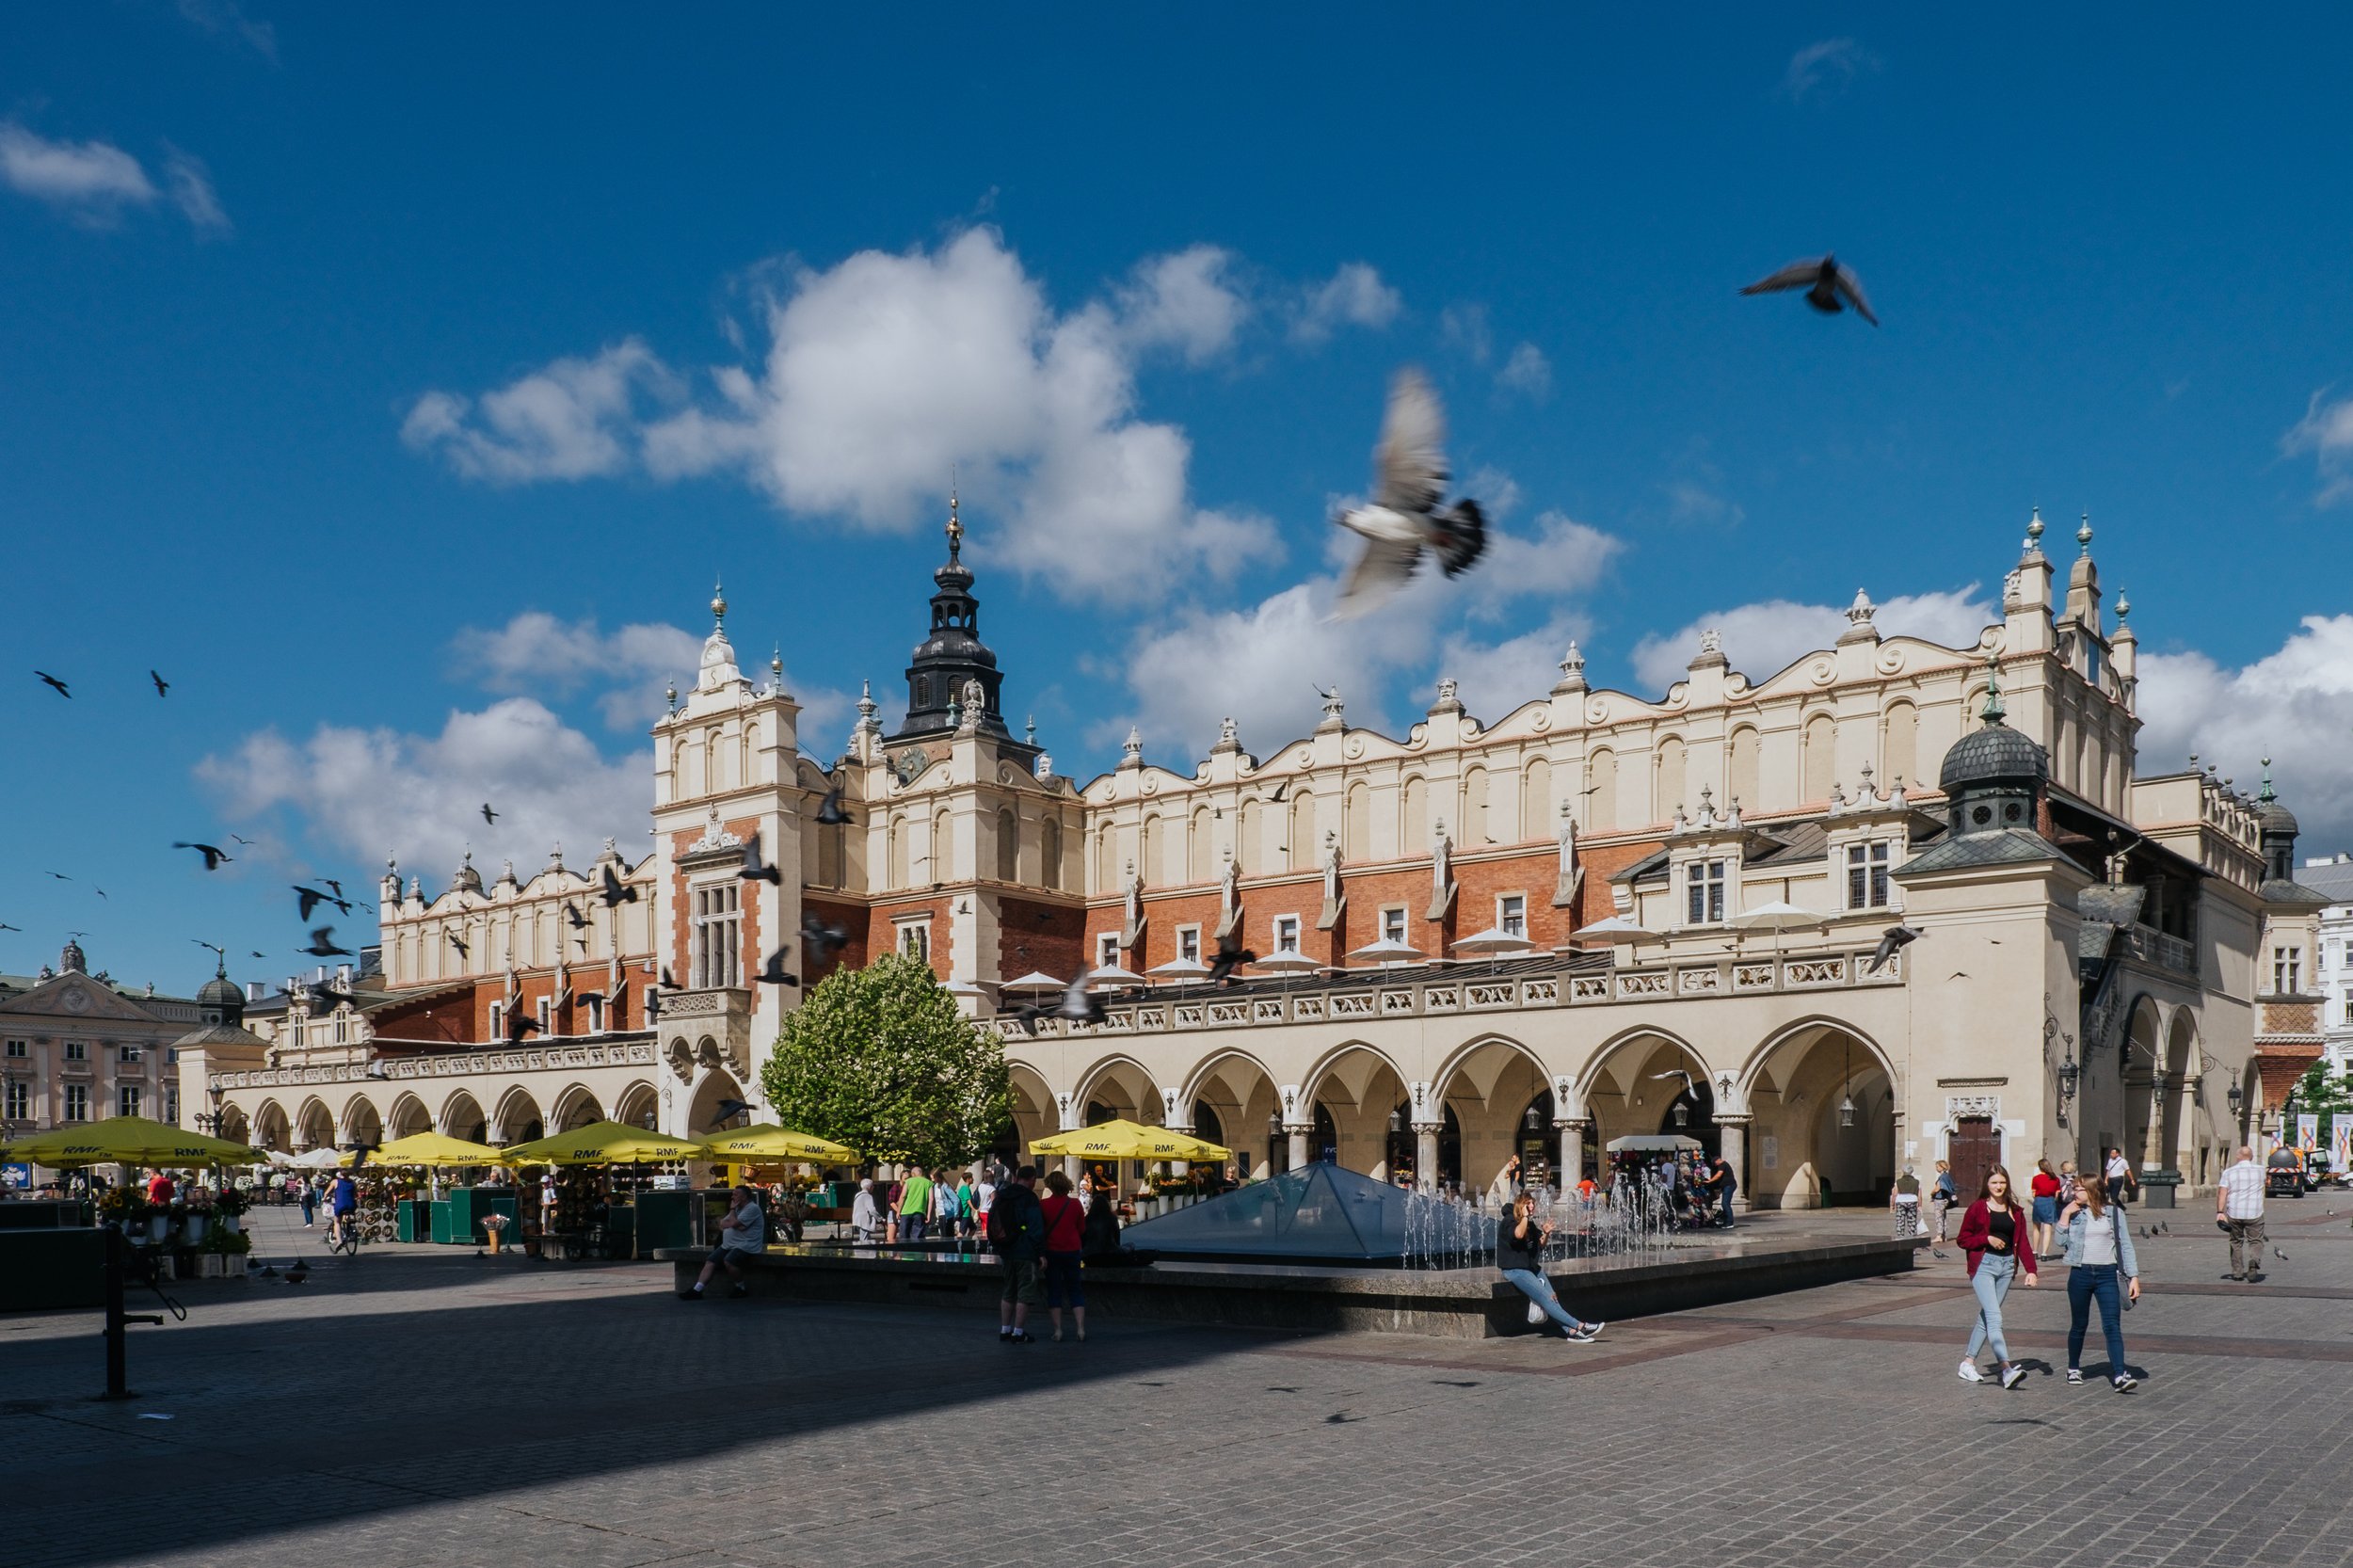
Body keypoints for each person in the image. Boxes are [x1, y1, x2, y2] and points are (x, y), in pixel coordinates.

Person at [1954, 1164, 2037, 1389]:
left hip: (2007, 1266)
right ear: (1987, 1185)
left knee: (1987, 1317)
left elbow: (2024, 1243)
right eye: (1994, 1183)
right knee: (1994, 1316)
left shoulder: (2016, 1211)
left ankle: (1967, 1363)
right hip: (1984, 1266)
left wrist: (2031, 1270)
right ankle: (2006, 1369)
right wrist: (1986, 1239)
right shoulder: (1977, 1208)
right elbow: (1962, 1239)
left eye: (2002, 1182)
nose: (1998, 1187)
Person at [2057, 1174, 2141, 1390]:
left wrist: (2133, 1277)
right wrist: (2065, 1215)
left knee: (2112, 1324)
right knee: (2079, 1324)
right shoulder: (2075, 1213)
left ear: (2091, 1190)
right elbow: (2060, 1242)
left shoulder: (2114, 1213)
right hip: (2080, 1273)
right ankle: (2073, 1368)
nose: (2074, 1193)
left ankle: (2120, 1374)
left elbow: (2125, 1245)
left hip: (2108, 1275)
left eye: (2078, 1189)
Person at [1497, 1192, 1603, 1342]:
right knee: (1545, 1297)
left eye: (1533, 1203)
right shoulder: (1509, 1220)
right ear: (1521, 1205)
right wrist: (1525, 1217)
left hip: (1532, 1268)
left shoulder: (1530, 1223)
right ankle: (1580, 1326)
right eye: (1529, 1204)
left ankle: (1571, 1332)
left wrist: (1545, 1234)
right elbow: (1518, 1235)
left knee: (1552, 1297)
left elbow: (1539, 1245)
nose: (1532, 1206)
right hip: (1515, 1270)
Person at [988, 1165, 1046, 1343]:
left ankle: (1005, 1329)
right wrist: (1041, 1253)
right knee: (1025, 1292)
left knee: (1008, 1291)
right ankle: (1018, 1332)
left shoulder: (1003, 1194)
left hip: (1006, 1249)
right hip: (1025, 1251)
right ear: (1032, 1179)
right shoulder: (1029, 1198)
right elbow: (1036, 1227)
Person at [682, 1184, 766, 1300]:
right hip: (729, 1245)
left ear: (744, 1197)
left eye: (736, 1194)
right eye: (733, 1194)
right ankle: (697, 1289)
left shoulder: (752, 1208)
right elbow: (722, 1224)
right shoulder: (738, 1209)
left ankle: (740, 1287)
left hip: (746, 1245)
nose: (733, 1197)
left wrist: (732, 1214)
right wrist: (732, 1222)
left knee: (729, 1261)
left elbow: (735, 1224)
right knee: (711, 1261)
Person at [1038, 1170, 1088, 1342]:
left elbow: (1040, 1230)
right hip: (1072, 1250)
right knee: (1075, 1289)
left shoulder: (1043, 1205)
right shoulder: (1075, 1204)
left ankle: (1058, 1330)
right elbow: (1082, 1229)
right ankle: (1080, 1329)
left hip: (1052, 1252)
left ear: (1050, 1186)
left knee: (1054, 1290)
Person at [2216, 1144, 2266, 1282]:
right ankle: (2254, 1260)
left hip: (2234, 1213)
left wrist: (2220, 1212)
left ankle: (2237, 1272)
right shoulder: (2261, 1171)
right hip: (2255, 1212)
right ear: (2252, 1157)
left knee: (2236, 1242)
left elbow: (2222, 1193)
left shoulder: (2228, 1172)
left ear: (2238, 1157)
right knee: (2256, 1240)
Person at [1080, 1177, 1124, 1261]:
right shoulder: (1112, 1218)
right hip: (1110, 1253)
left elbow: (1083, 1239)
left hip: (1090, 1255)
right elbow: (1117, 1238)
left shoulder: (1087, 1219)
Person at [2029, 1158, 2062, 1260]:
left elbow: (2033, 1193)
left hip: (2039, 1201)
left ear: (2040, 1167)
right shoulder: (2056, 1179)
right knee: (2047, 1229)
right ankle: (2044, 1254)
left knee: (2036, 1228)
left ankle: (2034, 1252)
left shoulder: (2036, 1178)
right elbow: (2057, 1194)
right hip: (2050, 1201)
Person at [1702, 1150, 1737, 1228]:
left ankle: (1729, 1223)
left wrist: (1710, 1181)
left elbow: (1718, 1175)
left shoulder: (1722, 1165)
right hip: (1728, 1186)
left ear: (1718, 1160)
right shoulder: (1724, 1165)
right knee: (1725, 1204)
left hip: (1729, 1185)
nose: (1715, 1165)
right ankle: (1725, 1221)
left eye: (1715, 1163)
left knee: (1725, 1204)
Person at [326, 1170, 358, 1248]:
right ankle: (350, 1225)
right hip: (351, 1205)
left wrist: (324, 1198)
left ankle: (339, 1241)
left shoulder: (335, 1181)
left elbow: (326, 1193)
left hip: (340, 1205)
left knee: (337, 1222)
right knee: (348, 1213)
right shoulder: (353, 1182)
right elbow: (355, 1193)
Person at [897, 1169, 931, 1242]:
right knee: (917, 1238)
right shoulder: (928, 1183)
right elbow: (931, 1199)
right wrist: (928, 1214)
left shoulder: (908, 1181)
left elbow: (903, 1196)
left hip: (906, 1212)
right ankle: (917, 1253)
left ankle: (904, 1252)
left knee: (904, 1237)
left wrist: (898, 1211)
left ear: (913, 1174)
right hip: (920, 1212)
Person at [1929, 1160, 1959, 1243]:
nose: (1936, 1168)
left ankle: (1939, 1235)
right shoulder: (1947, 1176)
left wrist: (1932, 1193)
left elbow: (1938, 1188)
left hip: (1939, 1199)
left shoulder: (1942, 1177)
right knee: (1943, 1217)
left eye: (1937, 1166)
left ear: (1942, 1167)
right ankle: (1943, 1235)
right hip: (1945, 1200)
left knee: (1939, 1217)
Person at [1892, 1165, 1922, 1239]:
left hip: (1900, 1201)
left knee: (1900, 1220)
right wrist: (1920, 1205)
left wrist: (1892, 1204)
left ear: (1903, 1171)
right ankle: (1912, 1237)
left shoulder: (1898, 1181)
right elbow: (1919, 1195)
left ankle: (1900, 1237)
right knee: (1912, 1221)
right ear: (1912, 1172)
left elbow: (1895, 1194)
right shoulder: (1917, 1182)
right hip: (1913, 1200)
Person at [2103, 1146, 2136, 1210]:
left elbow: (2128, 1170)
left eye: (2113, 1153)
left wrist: (2132, 1180)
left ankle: (2114, 1209)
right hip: (2110, 1179)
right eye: (2111, 1153)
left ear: (2117, 1154)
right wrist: (2106, 1179)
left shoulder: (2123, 1161)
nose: (2111, 1154)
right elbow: (2108, 1170)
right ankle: (2122, 1207)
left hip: (2118, 1179)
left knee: (2114, 1195)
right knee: (2110, 1194)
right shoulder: (2110, 1161)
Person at [850, 1177, 879, 1242]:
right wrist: (880, 1218)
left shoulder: (857, 1195)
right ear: (869, 1187)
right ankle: (863, 1252)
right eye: (872, 1186)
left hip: (857, 1220)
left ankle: (865, 1251)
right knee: (864, 1240)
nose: (873, 1187)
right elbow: (872, 1210)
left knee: (864, 1238)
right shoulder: (868, 1196)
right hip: (864, 1221)